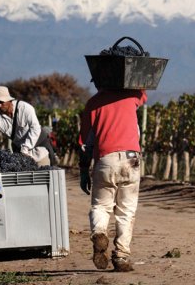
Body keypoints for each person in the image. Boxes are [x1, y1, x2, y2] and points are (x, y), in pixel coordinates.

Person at [78, 87, 147, 272]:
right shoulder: (132, 96)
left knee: (101, 206)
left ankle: (99, 233)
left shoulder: (93, 103)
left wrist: (84, 170)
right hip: (131, 159)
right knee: (126, 211)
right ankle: (122, 257)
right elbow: (143, 92)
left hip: (105, 159)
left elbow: (84, 142)